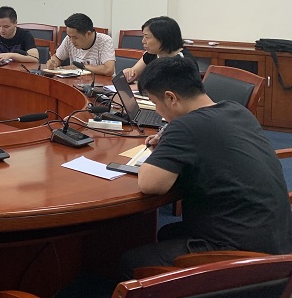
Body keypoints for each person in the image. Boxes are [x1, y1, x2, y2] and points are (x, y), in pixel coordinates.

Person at [119, 57, 292, 279]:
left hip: (243, 257)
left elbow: (150, 184)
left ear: (171, 97)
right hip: (277, 240)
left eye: (155, 103)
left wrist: (162, 148)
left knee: (132, 262)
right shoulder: (236, 109)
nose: (158, 111)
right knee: (169, 232)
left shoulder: (185, 127)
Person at [122, 16, 197, 82]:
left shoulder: (183, 61)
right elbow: (133, 73)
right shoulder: (151, 54)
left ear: (163, 39)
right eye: (143, 36)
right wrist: (129, 73)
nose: (143, 41)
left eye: (147, 37)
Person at [44, 13, 115, 75]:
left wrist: (80, 67)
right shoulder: (69, 39)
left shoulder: (105, 41)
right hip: (76, 82)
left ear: (88, 34)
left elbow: (108, 69)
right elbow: (58, 57)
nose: (72, 41)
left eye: (75, 38)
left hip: (100, 83)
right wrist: (54, 63)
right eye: (69, 36)